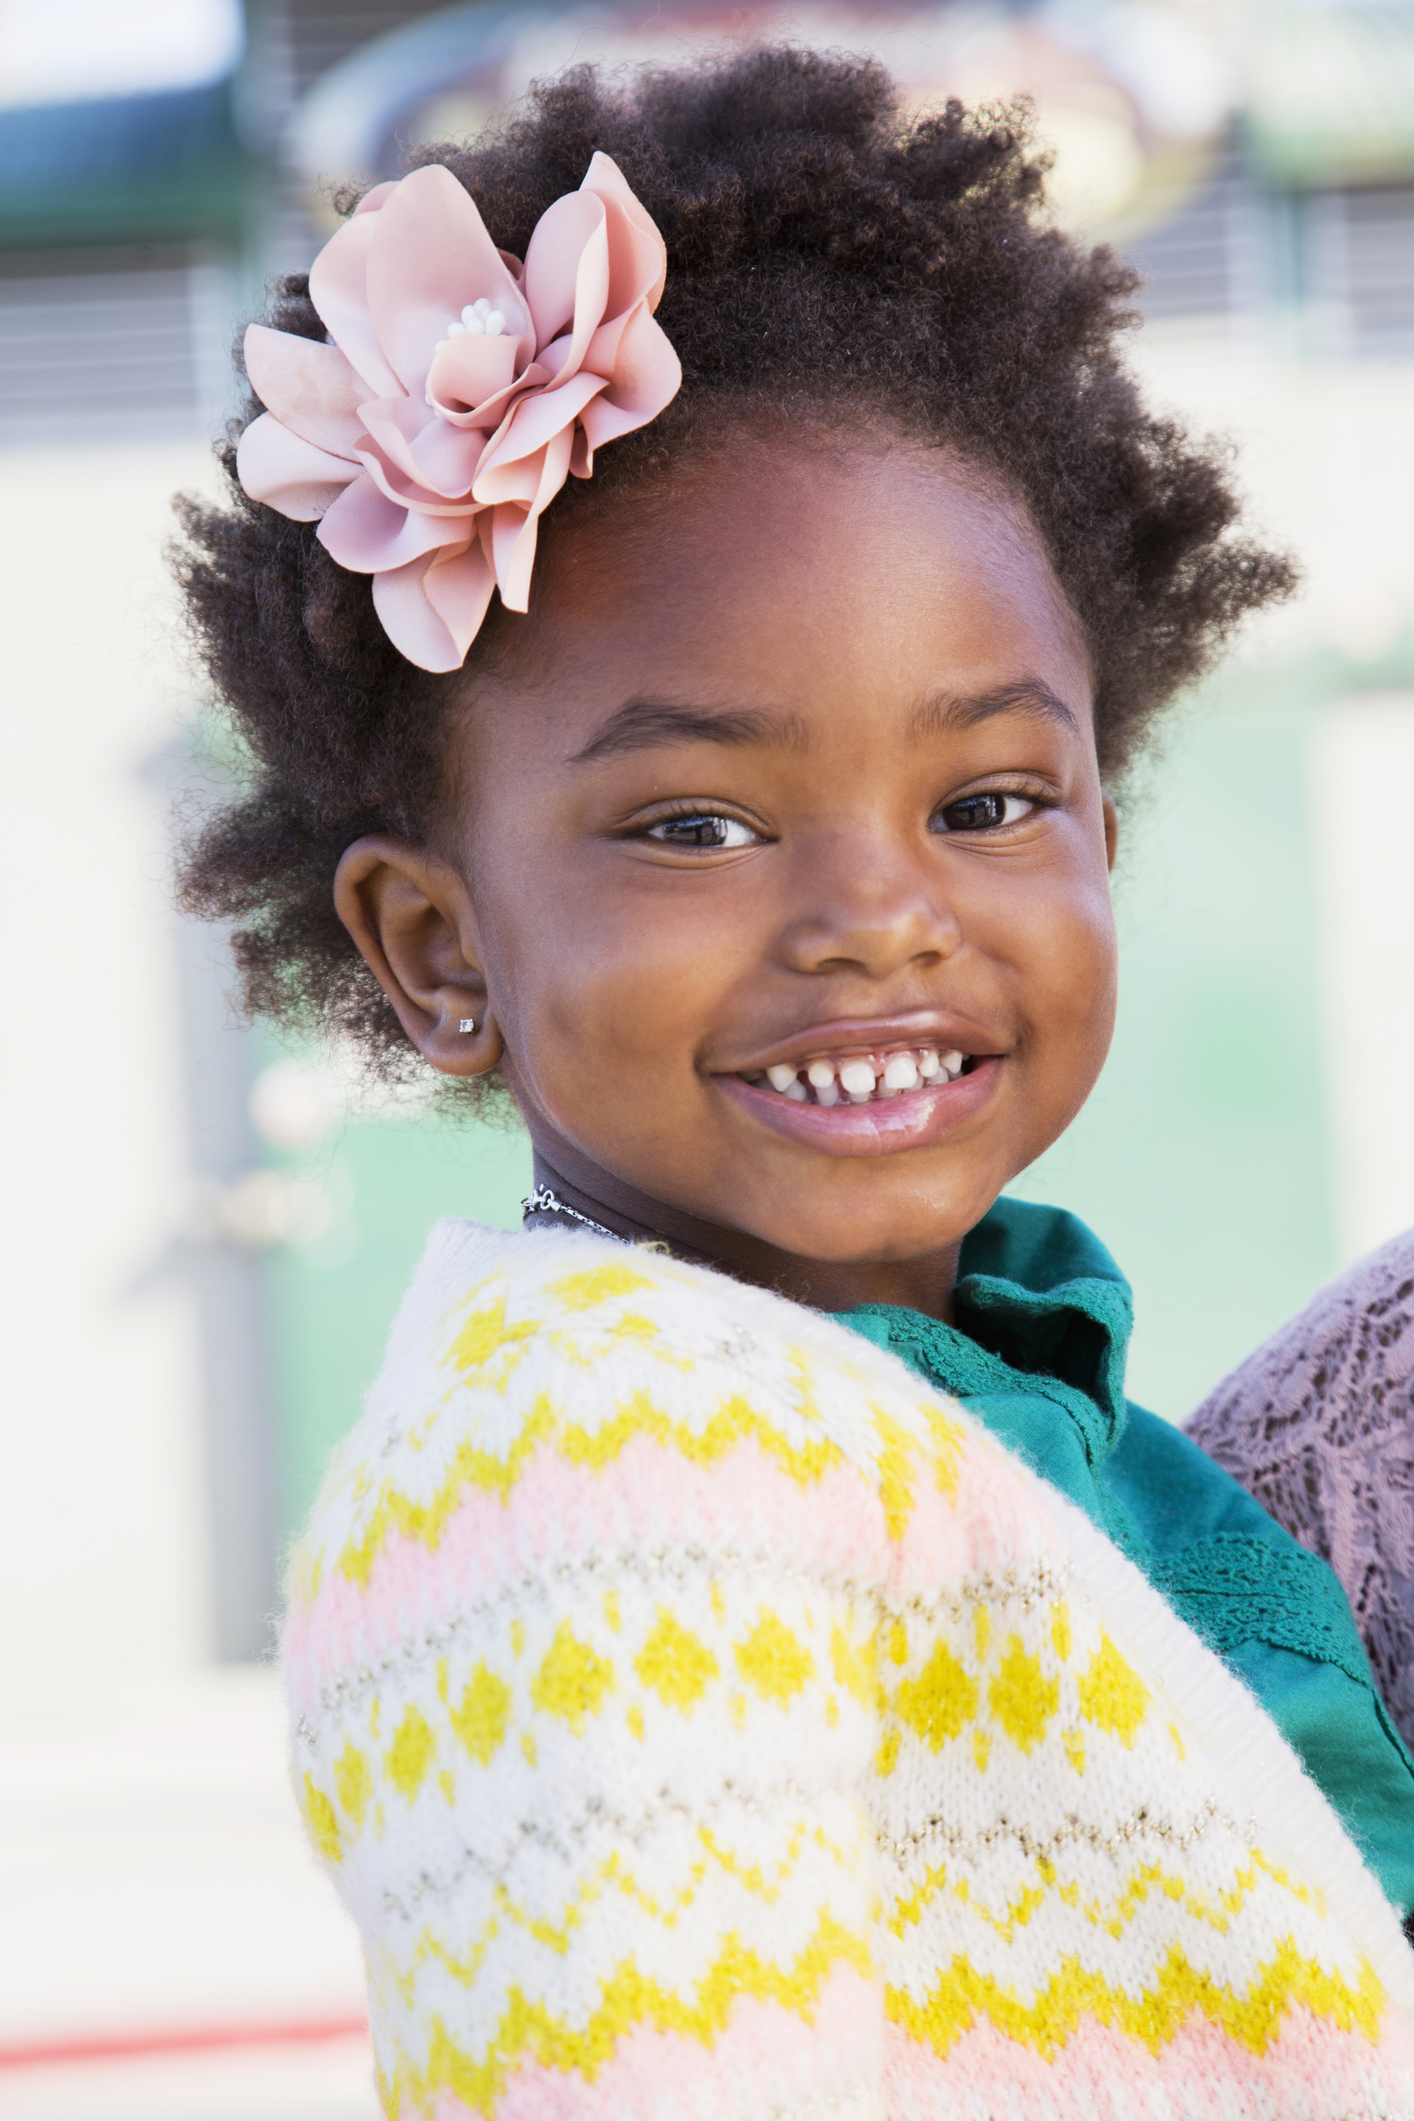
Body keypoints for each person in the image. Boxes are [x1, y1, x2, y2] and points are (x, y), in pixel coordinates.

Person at [176, 47, 1414, 2119]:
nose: (875, 914)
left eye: (989, 797)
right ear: (438, 948)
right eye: (693, 825)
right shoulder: (580, 1457)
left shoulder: (968, 1382)